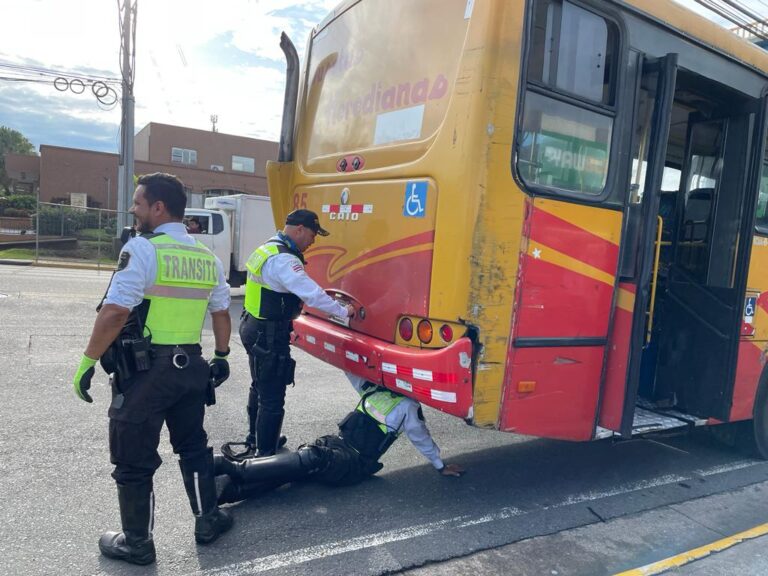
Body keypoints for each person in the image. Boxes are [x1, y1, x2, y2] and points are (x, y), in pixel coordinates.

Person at [71, 172, 234, 566]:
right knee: (193, 447)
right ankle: (207, 520)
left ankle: (137, 544)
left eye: (138, 203)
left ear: (158, 208)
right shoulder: (206, 257)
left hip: (147, 372)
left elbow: (114, 311)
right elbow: (221, 312)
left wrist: (87, 362)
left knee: (133, 459)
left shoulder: (143, 250)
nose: (133, 210)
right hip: (192, 368)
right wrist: (223, 355)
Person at [215, 374, 465, 504]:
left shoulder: (408, 407)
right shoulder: (377, 389)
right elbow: (352, 371)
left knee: (313, 458)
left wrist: (440, 466)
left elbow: (421, 437)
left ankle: (234, 469)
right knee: (299, 472)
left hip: (352, 464)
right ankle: (230, 492)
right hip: (337, 447)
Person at [233, 209, 355, 459]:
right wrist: (343, 311)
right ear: (299, 229)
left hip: (251, 325)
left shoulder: (268, 248)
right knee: (273, 396)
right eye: (312, 234)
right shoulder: (285, 259)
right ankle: (265, 457)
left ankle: (256, 439)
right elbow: (311, 293)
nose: (313, 241)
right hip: (268, 334)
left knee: (259, 387)